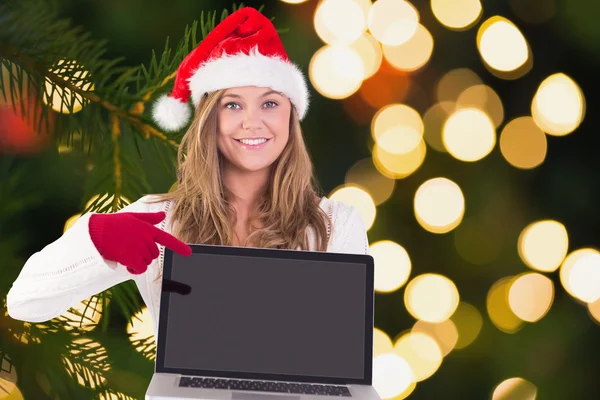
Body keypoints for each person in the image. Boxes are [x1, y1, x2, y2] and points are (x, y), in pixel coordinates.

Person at [6, 7, 369, 337]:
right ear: (208, 120)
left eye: (270, 103)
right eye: (232, 105)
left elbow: (347, 360)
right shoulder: (161, 220)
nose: (252, 122)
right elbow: (25, 301)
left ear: (291, 115)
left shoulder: (336, 225)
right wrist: (97, 239)